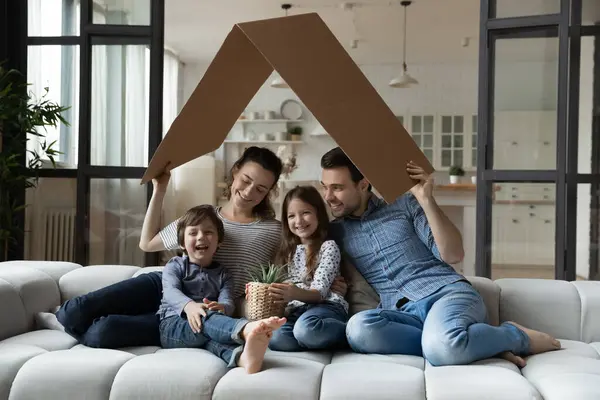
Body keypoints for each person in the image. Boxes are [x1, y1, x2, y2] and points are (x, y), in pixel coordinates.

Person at [319, 146, 561, 367]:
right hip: (401, 313)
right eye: (324, 187)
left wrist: (426, 200)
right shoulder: (335, 231)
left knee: (442, 350)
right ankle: (473, 343)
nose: (328, 196)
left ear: (363, 184)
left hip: (446, 293)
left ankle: (512, 335)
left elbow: (453, 254)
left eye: (337, 188)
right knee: (358, 330)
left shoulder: (405, 205)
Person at [56, 146, 287, 349]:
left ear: (269, 192)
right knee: (74, 311)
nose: (249, 192)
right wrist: (160, 189)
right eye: (246, 180)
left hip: (199, 308)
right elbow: (147, 243)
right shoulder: (205, 216)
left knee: (102, 332)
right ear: (235, 171)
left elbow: (279, 281)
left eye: (260, 189)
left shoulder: (274, 231)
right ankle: (55, 319)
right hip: (166, 284)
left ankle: (74, 328)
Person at [158, 204, 285, 374]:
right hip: (173, 326)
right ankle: (245, 329)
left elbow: (228, 300)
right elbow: (170, 291)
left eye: (208, 232)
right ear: (182, 242)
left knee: (213, 338)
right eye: (193, 233)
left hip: (207, 327)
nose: (201, 237)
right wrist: (190, 306)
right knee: (205, 317)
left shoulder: (224, 274)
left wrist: (223, 307)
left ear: (219, 241)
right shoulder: (175, 265)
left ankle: (243, 359)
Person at [266, 186, 348, 352]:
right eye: (291, 216)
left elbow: (320, 293)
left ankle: (345, 332)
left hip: (326, 307)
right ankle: (314, 339)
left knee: (306, 329)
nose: (299, 221)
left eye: (305, 213)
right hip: (298, 312)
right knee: (275, 337)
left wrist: (293, 292)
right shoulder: (288, 252)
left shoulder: (328, 247)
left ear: (318, 213)